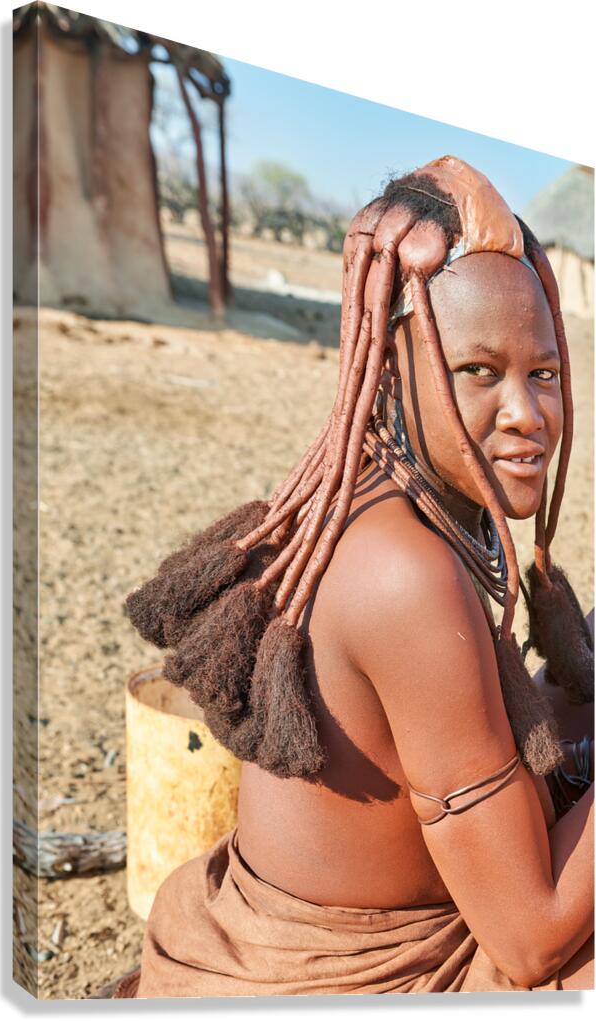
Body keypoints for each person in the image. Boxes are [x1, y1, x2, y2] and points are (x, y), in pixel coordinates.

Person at [113, 156, 594, 997]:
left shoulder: (395, 502)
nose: (526, 414)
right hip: (354, 979)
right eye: (478, 371)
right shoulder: (402, 571)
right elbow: (528, 940)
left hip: (311, 926)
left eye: (543, 373)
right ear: (390, 370)